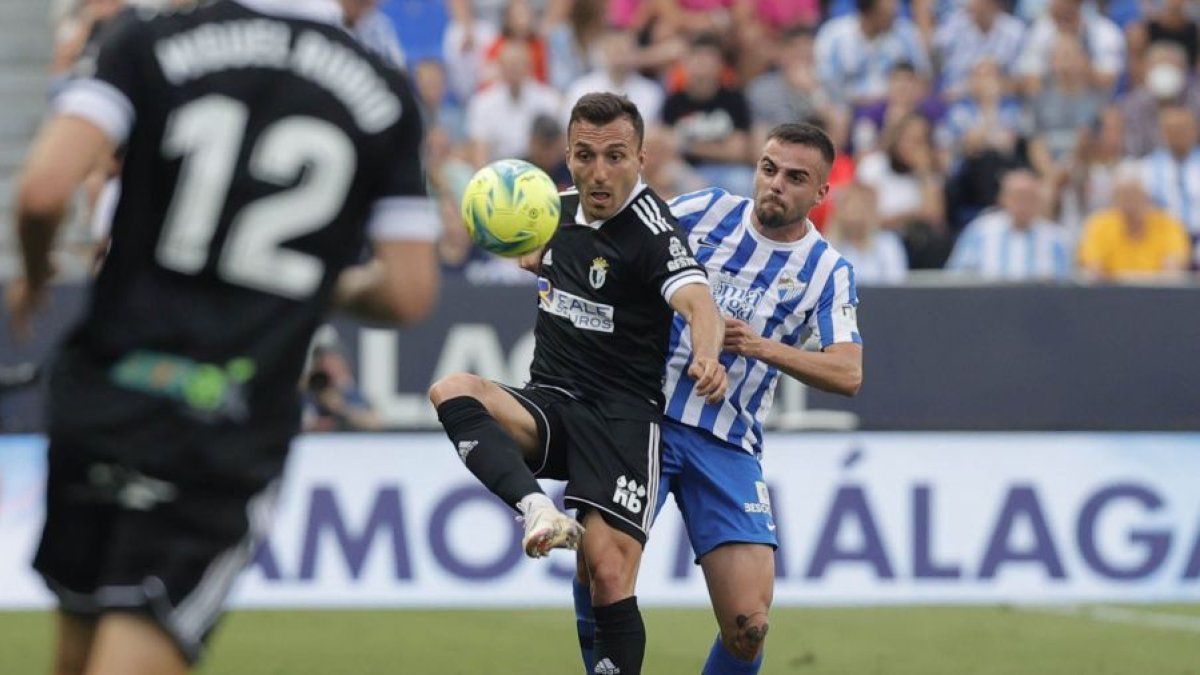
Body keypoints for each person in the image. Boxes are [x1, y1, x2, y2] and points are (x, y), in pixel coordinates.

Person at [8, 1, 440, 673]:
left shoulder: (148, 40)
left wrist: (34, 277)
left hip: (104, 395)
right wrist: (317, 279)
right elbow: (410, 292)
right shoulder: (381, 92)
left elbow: (41, 193)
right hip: (223, 425)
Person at [428, 92, 727, 675]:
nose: (599, 172)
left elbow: (698, 302)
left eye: (616, 156)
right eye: (585, 155)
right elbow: (549, 249)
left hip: (621, 420)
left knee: (606, 575)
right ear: (567, 154)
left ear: (641, 157)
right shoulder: (551, 213)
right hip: (553, 403)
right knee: (453, 389)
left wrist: (708, 353)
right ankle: (537, 508)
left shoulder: (654, 232)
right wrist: (535, 254)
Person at [573, 122, 864, 675]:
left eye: (796, 178)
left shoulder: (828, 272)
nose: (775, 184)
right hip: (645, 419)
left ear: (821, 193)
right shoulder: (705, 210)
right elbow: (625, 232)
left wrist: (761, 347)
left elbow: (848, 372)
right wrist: (552, 249)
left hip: (726, 442)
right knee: (598, 569)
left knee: (749, 625)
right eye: (769, 168)